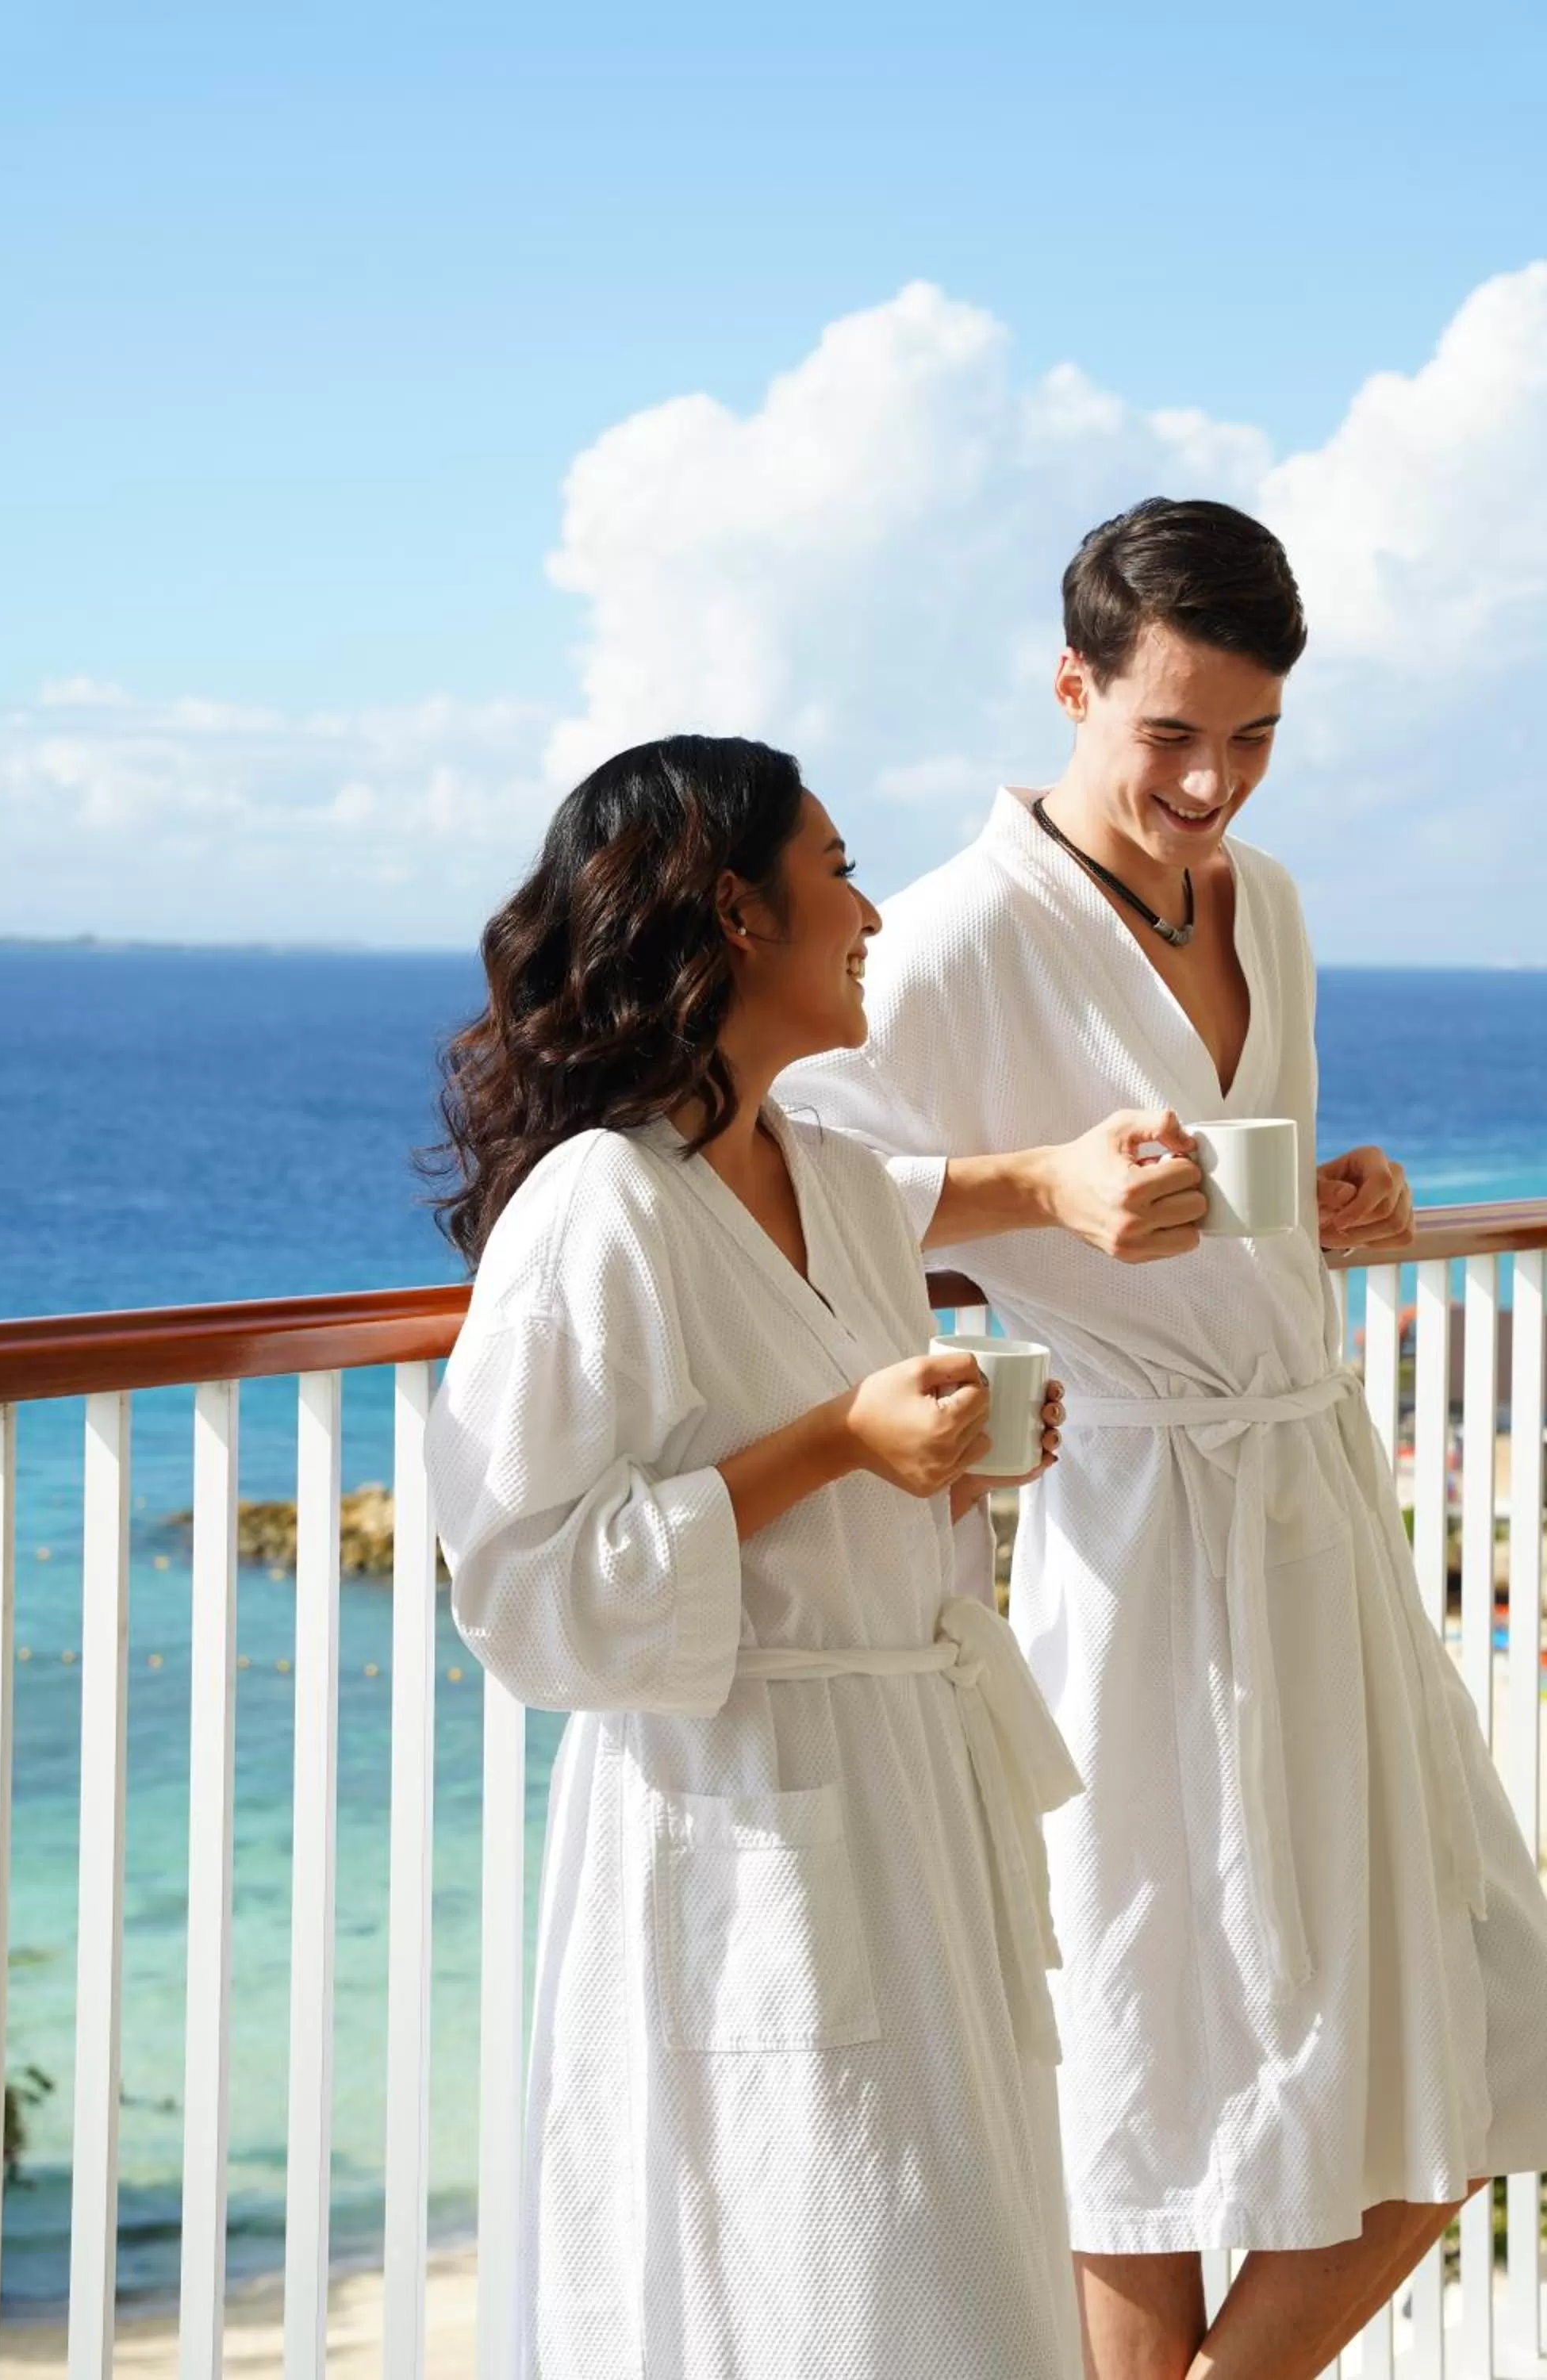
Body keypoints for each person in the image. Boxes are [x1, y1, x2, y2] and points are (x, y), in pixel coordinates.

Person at [781, 499, 1547, 2380]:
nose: (1212, 786)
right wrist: (1033, 1191)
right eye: (1172, 734)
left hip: (1312, 1502)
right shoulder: (954, 935)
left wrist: (1343, 1197)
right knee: (1152, 2055)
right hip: (1130, 1524)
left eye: (1255, 737)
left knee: (1475, 1999)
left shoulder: (1263, 900)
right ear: (1073, 687)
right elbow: (779, 1189)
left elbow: (1236, 1161)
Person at [424, 735, 1084, 2380]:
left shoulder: (841, 1183)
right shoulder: (598, 1210)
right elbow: (524, 1594)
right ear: (734, 911)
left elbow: (875, 1478)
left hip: (914, 1803)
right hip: (741, 1825)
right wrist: (839, 1443)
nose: (872, 912)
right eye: (838, 871)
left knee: (972, 2290)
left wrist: (949, 1458)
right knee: (822, 2297)